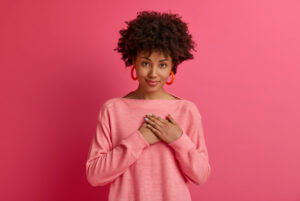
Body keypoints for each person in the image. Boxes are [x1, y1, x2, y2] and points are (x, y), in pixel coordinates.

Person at [85, 10, 211, 201]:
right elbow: (94, 175)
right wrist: (139, 139)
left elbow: (200, 176)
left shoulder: (186, 111)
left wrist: (178, 139)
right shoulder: (113, 110)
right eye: (145, 63)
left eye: (162, 65)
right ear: (133, 61)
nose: (153, 73)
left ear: (172, 67)